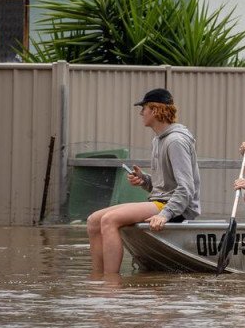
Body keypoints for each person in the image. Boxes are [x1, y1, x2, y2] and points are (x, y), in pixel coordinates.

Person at [86, 88, 201, 276]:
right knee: (93, 221)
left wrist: (165, 214)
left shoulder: (175, 141)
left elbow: (186, 187)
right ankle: (97, 279)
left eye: (144, 108)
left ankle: (110, 283)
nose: (141, 113)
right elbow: (164, 185)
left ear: (155, 110)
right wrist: (144, 180)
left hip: (174, 207)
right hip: (160, 202)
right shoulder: (158, 141)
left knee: (109, 220)